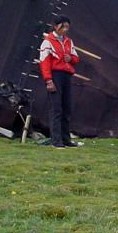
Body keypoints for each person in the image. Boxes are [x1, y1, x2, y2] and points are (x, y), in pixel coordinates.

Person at [39, 15, 80, 149]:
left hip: (67, 75)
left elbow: (76, 58)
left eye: (67, 27)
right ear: (55, 26)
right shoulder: (48, 42)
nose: (65, 29)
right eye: (63, 26)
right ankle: (56, 140)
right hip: (55, 75)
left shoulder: (68, 41)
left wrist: (71, 58)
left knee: (66, 108)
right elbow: (44, 63)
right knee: (56, 108)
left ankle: (66, 139)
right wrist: (48, 81)